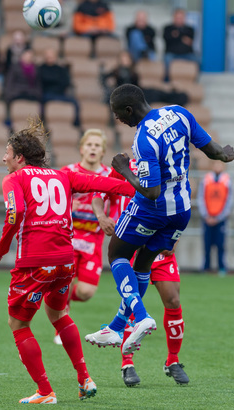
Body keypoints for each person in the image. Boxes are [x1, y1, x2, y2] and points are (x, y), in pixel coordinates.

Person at [84, 84, 234, 355]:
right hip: (182, 210)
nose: (118, 119)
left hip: (152, 208)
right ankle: (118, 327)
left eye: (118, 114)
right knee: (142, 264)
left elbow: (151, 191)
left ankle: (140, 317)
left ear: (129, 110)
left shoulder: (143, 139)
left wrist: (123, 170)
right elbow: (213, 151)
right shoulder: (179, 114)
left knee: (117, 255)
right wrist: (225, 153)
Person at [0, 122, 136, 404]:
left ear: (20, 157)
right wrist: (136, 189)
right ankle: (85, 379)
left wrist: (2, 248)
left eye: (7, 152)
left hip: (34, 262)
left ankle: (45, 391)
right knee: (58, 315)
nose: (3, 158)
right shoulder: (61, 176)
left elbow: (15, 211)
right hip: (65, 262)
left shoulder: (14, 179)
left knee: (18, 324)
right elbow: (100, 183)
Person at [88, 160, 190, 387]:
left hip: (159, 248)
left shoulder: (169, 167)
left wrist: (175, 238)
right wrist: (101, 217)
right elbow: (98, 193)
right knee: (133, 303)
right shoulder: (125, 166)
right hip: (132, 243)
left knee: (173, 300)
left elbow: (179, 202)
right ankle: (127, 363)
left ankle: (173, 360)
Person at [52, 130, 112, 344]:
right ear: (82, 148)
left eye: (97, 145)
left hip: (93, 240)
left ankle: (57, 298)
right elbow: (53, 201)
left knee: (86, 292)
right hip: (68, 237)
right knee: (64, 282)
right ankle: (61, 325)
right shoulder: (67, 172)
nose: (93, 148)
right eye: (89, 144)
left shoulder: (110, 175)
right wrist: (67, 205)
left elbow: (116, 201)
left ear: (103, 151)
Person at [198, 161, 233, 276]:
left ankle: (222, 267)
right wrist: (205, 215)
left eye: (220, 165)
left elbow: (229, 200)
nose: (218, 167)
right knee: (207, 243)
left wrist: (220, 217)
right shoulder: (206, 179)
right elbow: (201, 198)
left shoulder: (227, 180)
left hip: (220, 218)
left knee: (220, 244)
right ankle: (206, 267)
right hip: (207, 217)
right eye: (216, 165)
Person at [39, 48, 80, 127]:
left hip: (60, 93)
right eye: (48, 57)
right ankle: (43, 124)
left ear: (55, 57)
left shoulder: (61, 69)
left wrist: (51, 81)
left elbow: (66, 82)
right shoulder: (40, 69)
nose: (49, 58)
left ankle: (76, 123)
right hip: (46, 94)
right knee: (40, 103)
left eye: (51, 57)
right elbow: (41, 82)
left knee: (75, 102)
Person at [162, 8, 197, 80]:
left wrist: (176, 36)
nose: (179, 20)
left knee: (198, 60)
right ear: (173, 18)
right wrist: (183, 37)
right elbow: (167, 39)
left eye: (181, 18)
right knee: (166, 60)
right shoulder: (167, 28)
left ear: (184, 18)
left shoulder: (190, 29)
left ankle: (194, 80)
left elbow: (190, 41)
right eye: (177, 18)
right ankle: (167, 81)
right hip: (171, 54)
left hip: (187, 54)